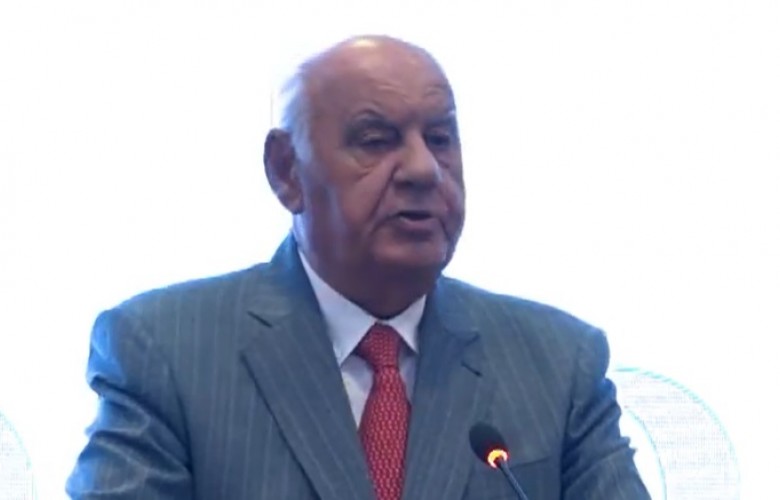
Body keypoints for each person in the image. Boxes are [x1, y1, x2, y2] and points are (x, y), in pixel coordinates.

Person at [66, 35, 650, 500]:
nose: (423, 169)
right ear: (286, 171)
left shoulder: (558, 362)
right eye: (376, 140)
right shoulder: (167, 351)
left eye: (440, 138)